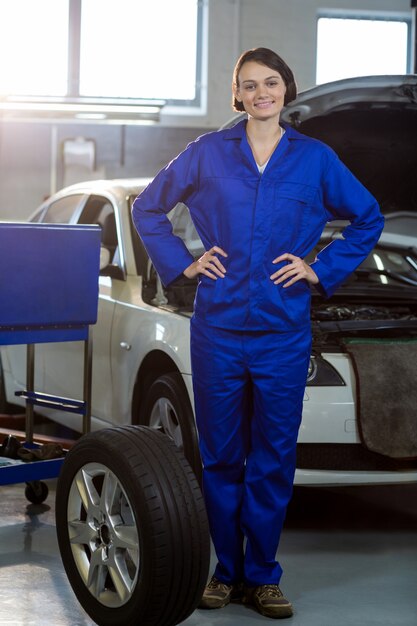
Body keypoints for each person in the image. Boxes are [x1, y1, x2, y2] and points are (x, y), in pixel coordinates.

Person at [132, 47, 384, 619]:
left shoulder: (315, 159)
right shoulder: (206, 153)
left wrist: (321, 268)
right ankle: (225, 573)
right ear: (237, 95)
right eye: (249, 85)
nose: (261, 93)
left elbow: (367, 216)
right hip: (218, 328)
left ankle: (264, 577)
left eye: (271, 83)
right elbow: (148, 208)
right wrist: (183, 262)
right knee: (221, 456)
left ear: (286, 91)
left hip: (283, 331)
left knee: (273, 454)